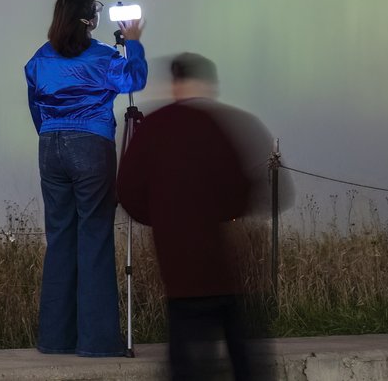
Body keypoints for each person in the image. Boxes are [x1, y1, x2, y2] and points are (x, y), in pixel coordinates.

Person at [117, 52, 289, 381]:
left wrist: (161, 218)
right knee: (243, 358)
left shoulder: (153, 127)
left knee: (184, 360)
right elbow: (246, 190)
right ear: (206, 84)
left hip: (177, 272)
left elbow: (126, 190)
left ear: (176, 83)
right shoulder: (225, 124)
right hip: (224, 269)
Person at [25, 0, 148, 357]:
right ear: (91, 19)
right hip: (91, 146)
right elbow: (135, 79)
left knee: (60, 239)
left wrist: (52, 135)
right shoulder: (103, 57)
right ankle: (96, 342)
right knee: (94, 238)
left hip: (50, 147)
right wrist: (134, 41)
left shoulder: (39, 60)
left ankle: (55, 339)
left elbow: (35, 106)